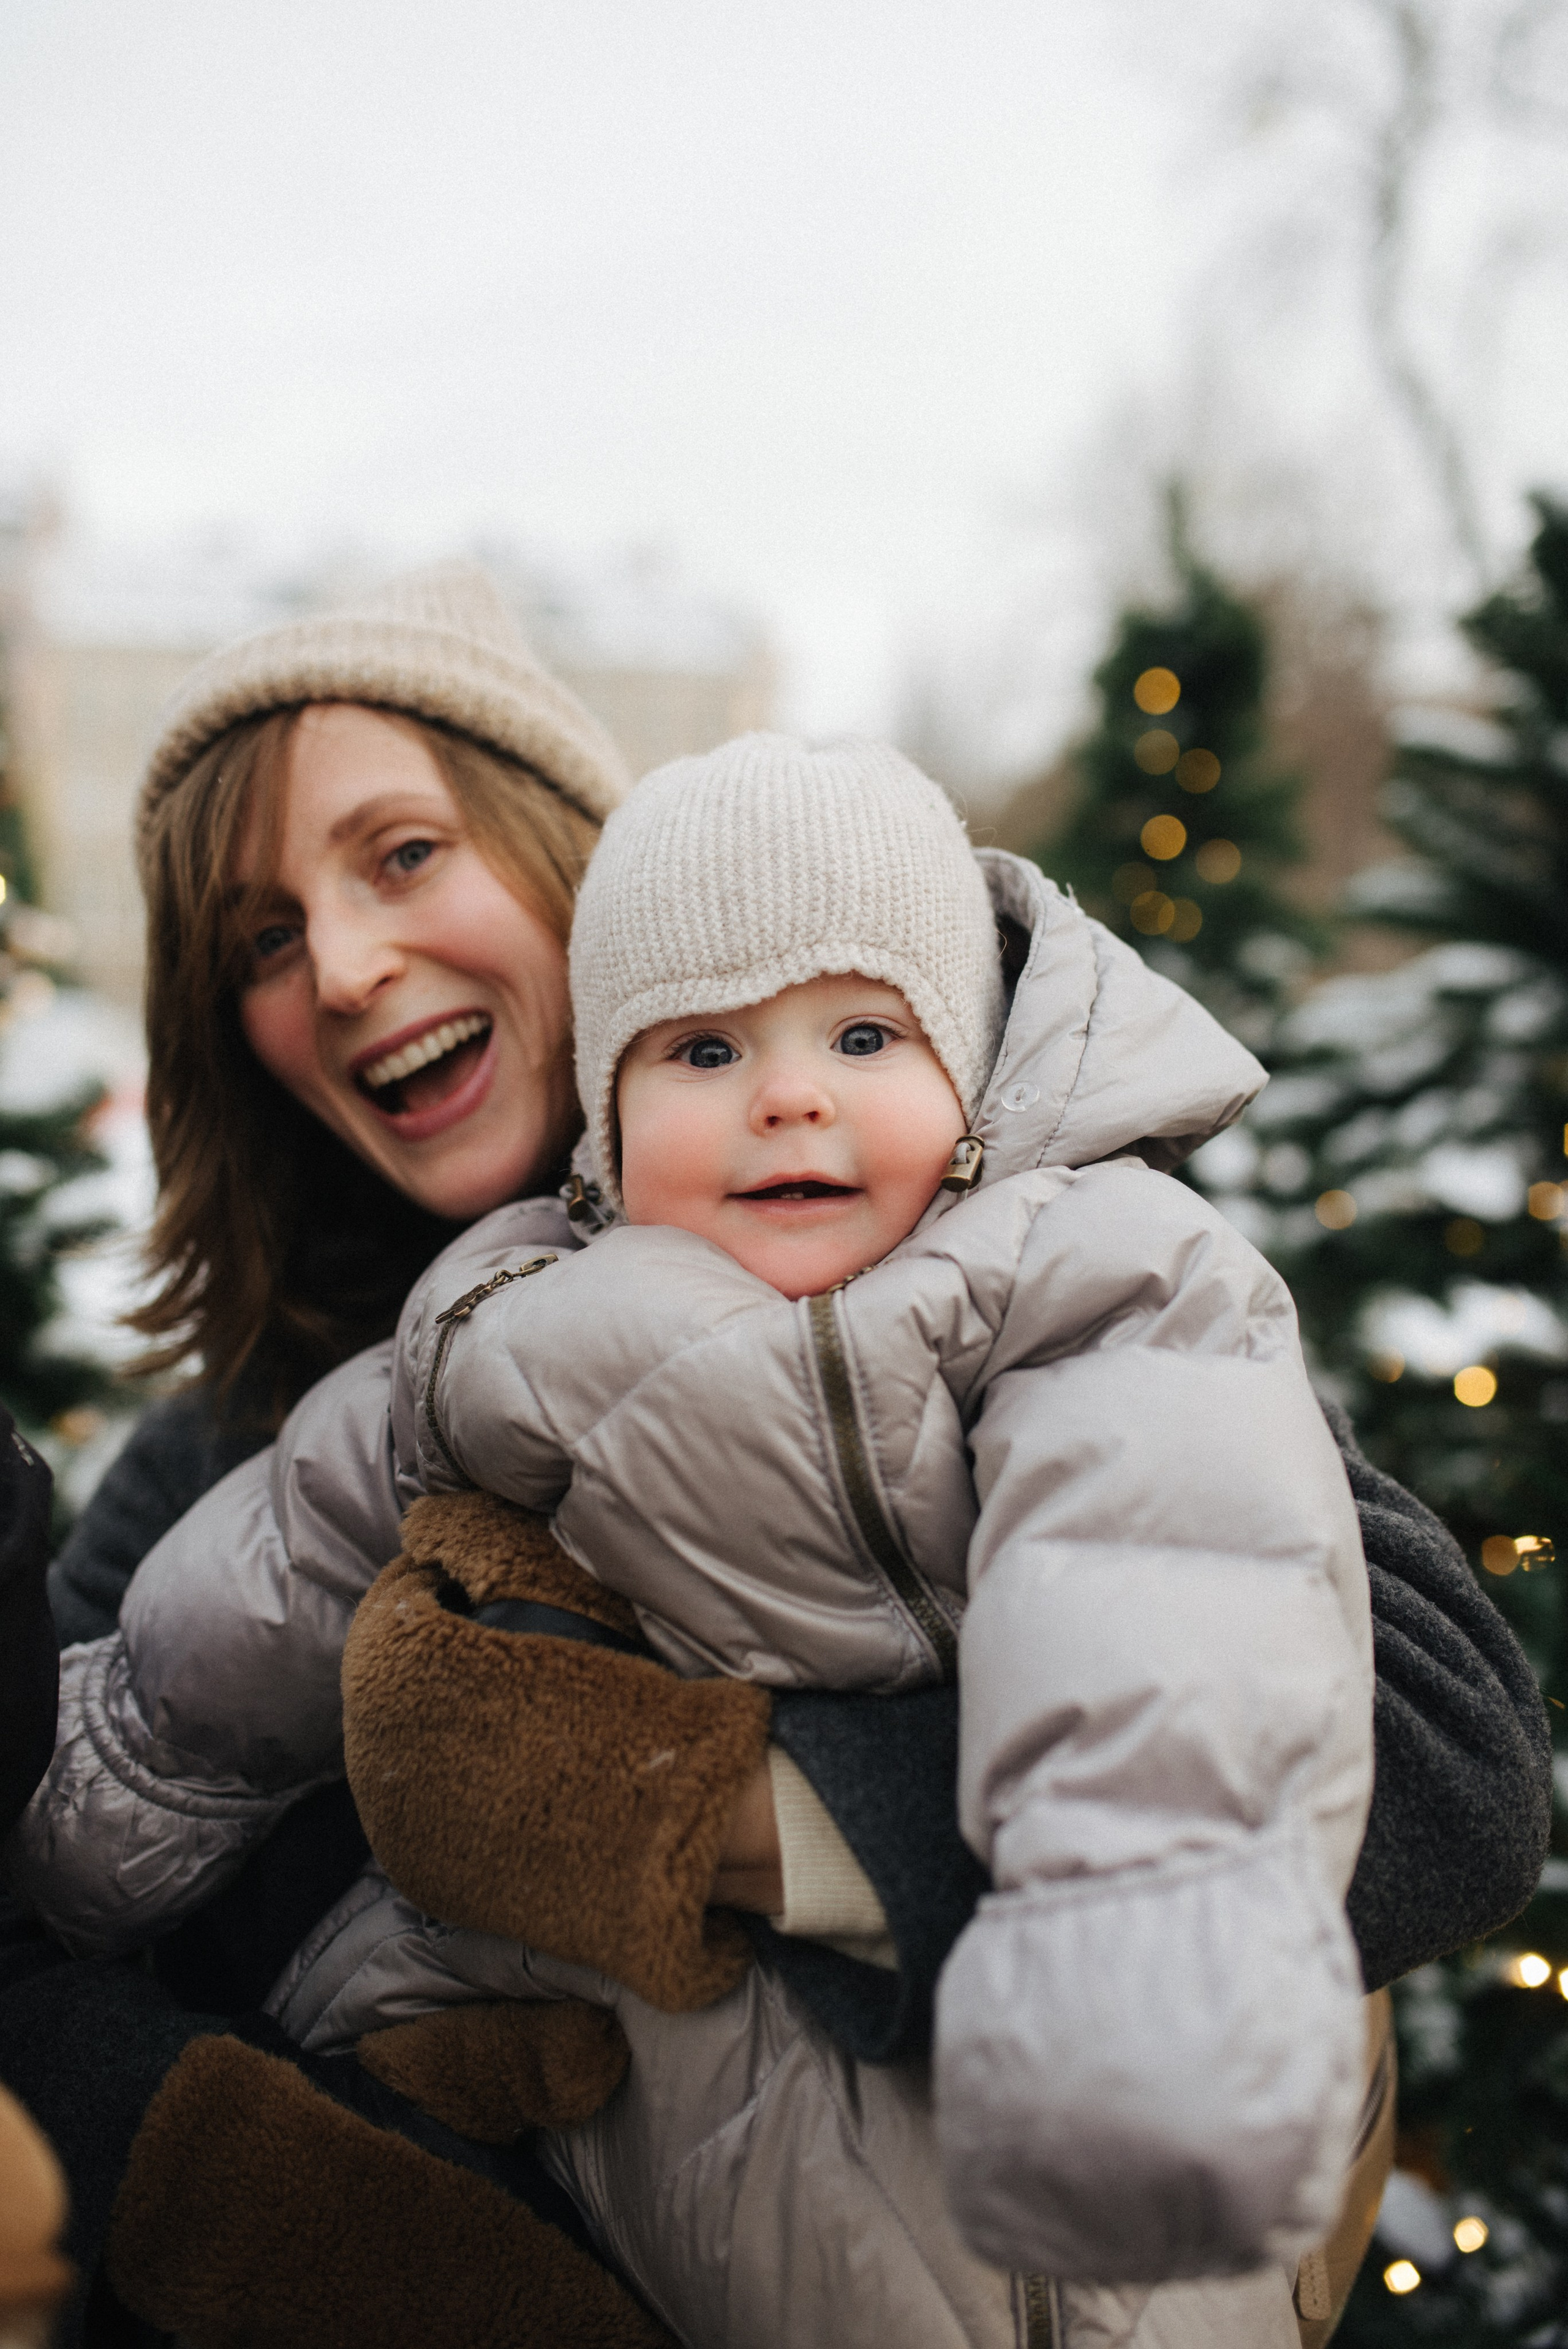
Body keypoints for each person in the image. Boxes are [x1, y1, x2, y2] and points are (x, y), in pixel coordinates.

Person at [4, 578, 1551, 2347]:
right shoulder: (237, 1448)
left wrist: (713, 1814)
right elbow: (64, 1843)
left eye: (405, 853)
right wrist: (325, 2198)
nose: (344, 962)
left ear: (570, 871)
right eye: (261, 936)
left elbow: (1440, 1766)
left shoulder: (1028, 1270)